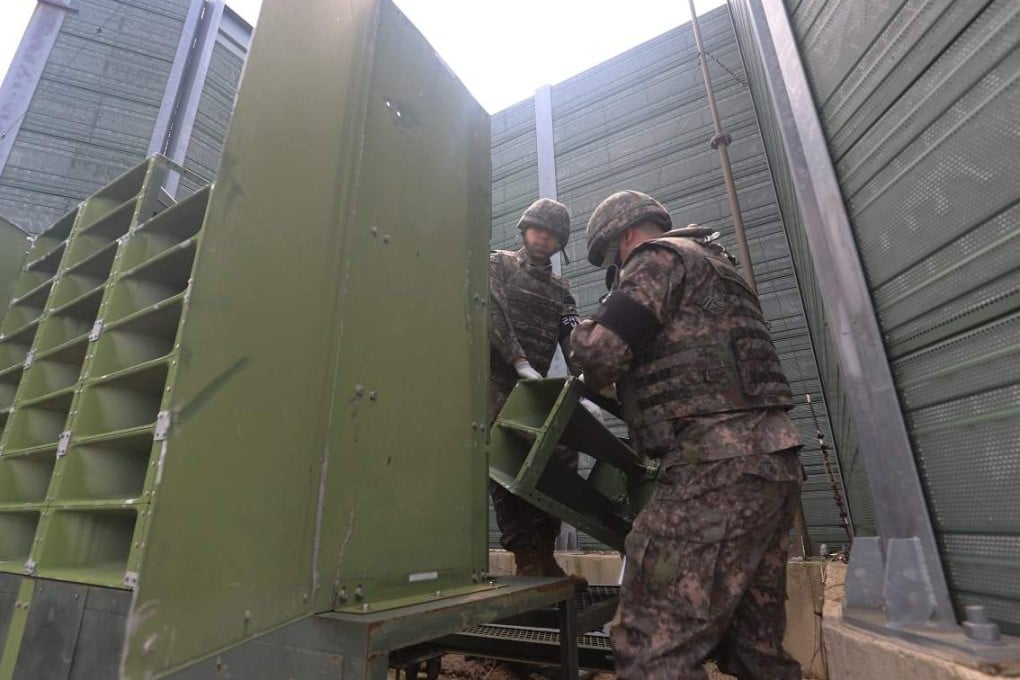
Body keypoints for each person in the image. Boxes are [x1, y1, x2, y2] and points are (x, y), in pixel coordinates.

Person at [570, 190, 803, 679]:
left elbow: (602, 354)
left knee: (651, 648)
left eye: (612, 261)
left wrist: (579, 331)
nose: (615, 272)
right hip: (772, 464)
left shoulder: (656, 259)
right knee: (753, 648)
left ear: (625, 237)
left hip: (714, 470)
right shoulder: (719, 268)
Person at [489, 197, 597, 578]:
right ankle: (525, 554)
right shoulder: (499, 264)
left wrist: (590, 384)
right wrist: (517, 359)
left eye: (552, 235)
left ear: (560, 243)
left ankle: (545, 551)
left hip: (533, 387)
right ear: (524, 230)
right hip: (495, 383)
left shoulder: (561, 291)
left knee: (560, 456)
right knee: (509, 461)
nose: (543, 238)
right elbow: (492, 308)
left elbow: (573, 336)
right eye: (538, 230)